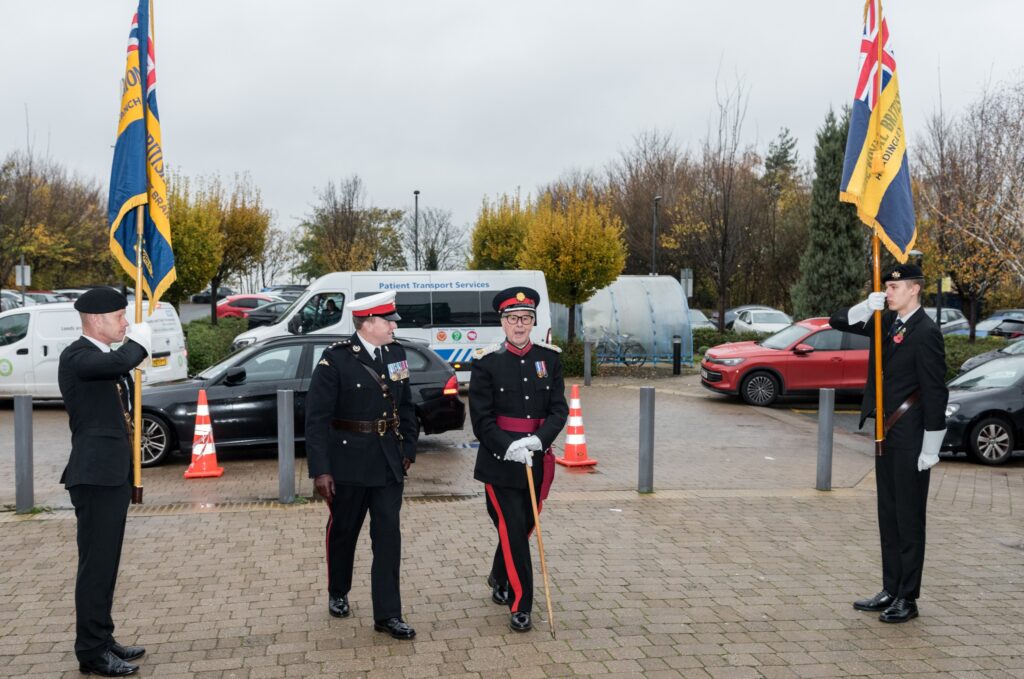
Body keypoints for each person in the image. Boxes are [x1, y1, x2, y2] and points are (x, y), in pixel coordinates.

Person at [830, 263, 948, 623]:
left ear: (914, 289)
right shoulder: (885, 321)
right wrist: (867, 307)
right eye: (887, 286)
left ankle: (908, 598)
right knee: (889, 515)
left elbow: (935, 390)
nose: (889, 291)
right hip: (886, 432)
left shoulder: (926, 331)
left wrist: (932, 445)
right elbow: (838, 322)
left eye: (895, 287)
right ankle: (890, 587)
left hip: (911, 433)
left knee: (909, 519)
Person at [305, 289, 419, 640]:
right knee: (344, 532)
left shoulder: (396, 354)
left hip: (387, 460)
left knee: (388, 538)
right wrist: (321, 470)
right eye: (388, 321)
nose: (393, 327)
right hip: (348, 461)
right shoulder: (335, 359)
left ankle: (388, 614)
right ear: (367, 322)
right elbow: (317, 418)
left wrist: (409, 448)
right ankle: (338, 590)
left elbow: (406, 405)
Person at [59, 288, 152, 676]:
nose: (125, 323)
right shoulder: (78, 357)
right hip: (94, 476)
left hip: (110, 475)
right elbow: (115, 365)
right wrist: (139, 346)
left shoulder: (100, 358)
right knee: (96, 566)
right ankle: (91, 651)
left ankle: (102, 636)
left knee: (106, 564)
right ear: (96, 320)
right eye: (119, 316)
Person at [469, 287, 569, 632]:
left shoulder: (550, 359)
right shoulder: (486, 362)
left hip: (537, 460)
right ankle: (521, 602)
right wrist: (508, 446)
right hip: (500, 462)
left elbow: (559, 409)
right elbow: (481, 419)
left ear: (533, 322)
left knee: (525, 526)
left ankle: (499, 575)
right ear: (503, 322)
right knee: (512, 529)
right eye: (513, 318)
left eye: (526, 318)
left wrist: (539, 440)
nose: (520, 324)